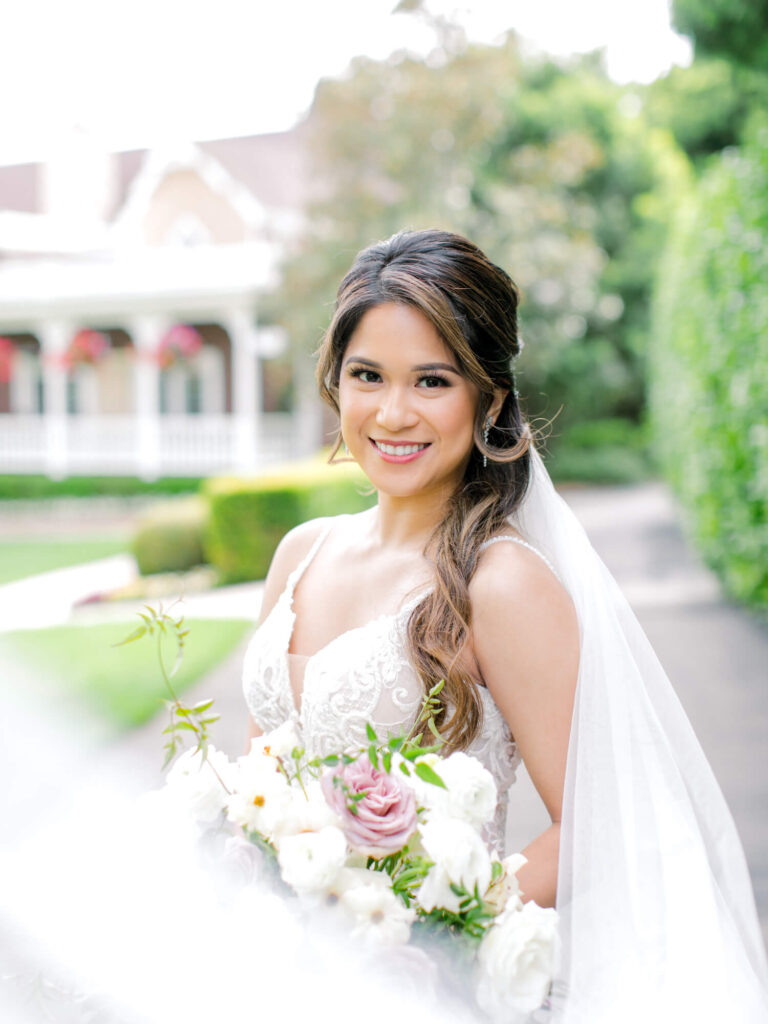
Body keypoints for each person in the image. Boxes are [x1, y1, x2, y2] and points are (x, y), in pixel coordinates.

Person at [242, 229, 768, 1022]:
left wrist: (427, 929)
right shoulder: (299, 554)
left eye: (431, 380)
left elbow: (592, 820)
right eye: (367, 376)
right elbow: (259, 781)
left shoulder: (502, 581)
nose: (392, 411)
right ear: (335, 383)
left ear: (488, 398)